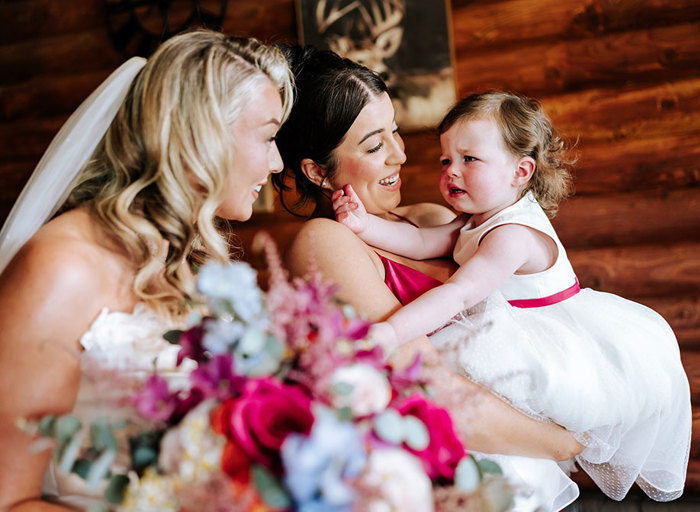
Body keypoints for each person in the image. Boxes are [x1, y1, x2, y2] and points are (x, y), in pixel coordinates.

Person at [333, 91, 692, 503]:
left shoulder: (512, 234)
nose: (453, 171)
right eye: (446, 160)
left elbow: (457, 295)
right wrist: (363, 226)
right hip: (516, 330)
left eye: (470, 159)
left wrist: (390, 333)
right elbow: (416, 239)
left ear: (521, 171)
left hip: (553, 344)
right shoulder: (474, 220)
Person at [273, 45, 584, 510]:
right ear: (318, 171)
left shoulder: (429, 219)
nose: (400, 154)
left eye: (394, 132)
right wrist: (566, 444)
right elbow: (425, 384)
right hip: (442, 473)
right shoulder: (324, 243)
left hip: (523, 460)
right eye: (375, 145)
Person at [0, 30, 292, 511]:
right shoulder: (61, 268)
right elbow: (9, 498)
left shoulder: (178, 269)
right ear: (203, 136)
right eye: (269, 136)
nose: (277, 161)